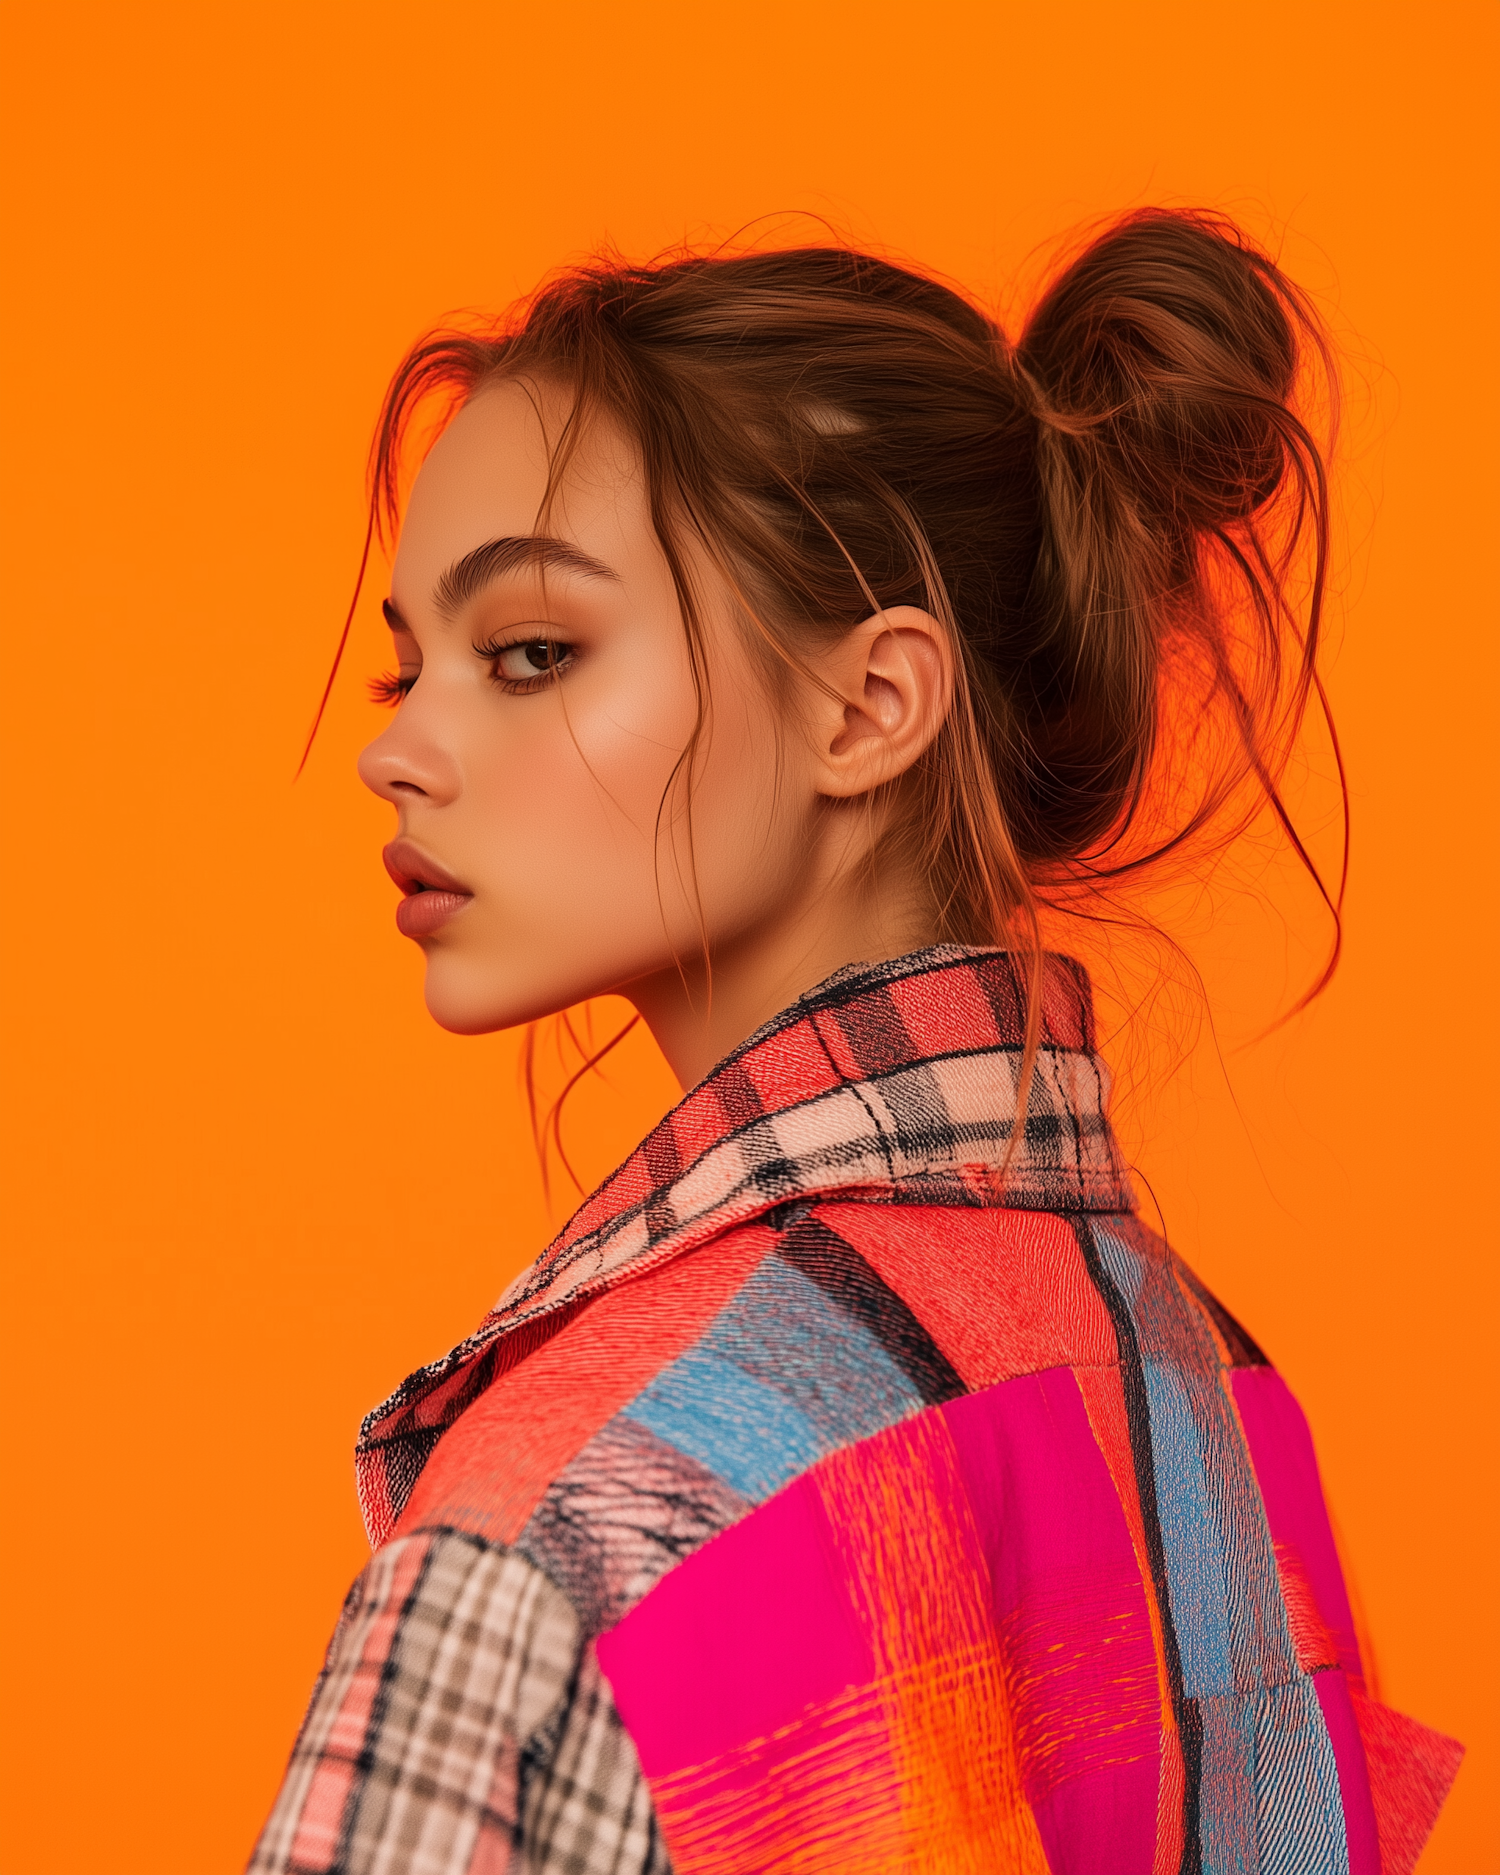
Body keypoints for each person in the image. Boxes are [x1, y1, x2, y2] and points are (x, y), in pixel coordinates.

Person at [250, 212, 1461, 1874]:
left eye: (532, 652)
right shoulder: (1204, 1394)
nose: (399, 750)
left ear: (870, 705)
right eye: (411, 669)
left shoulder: (566, 1526)